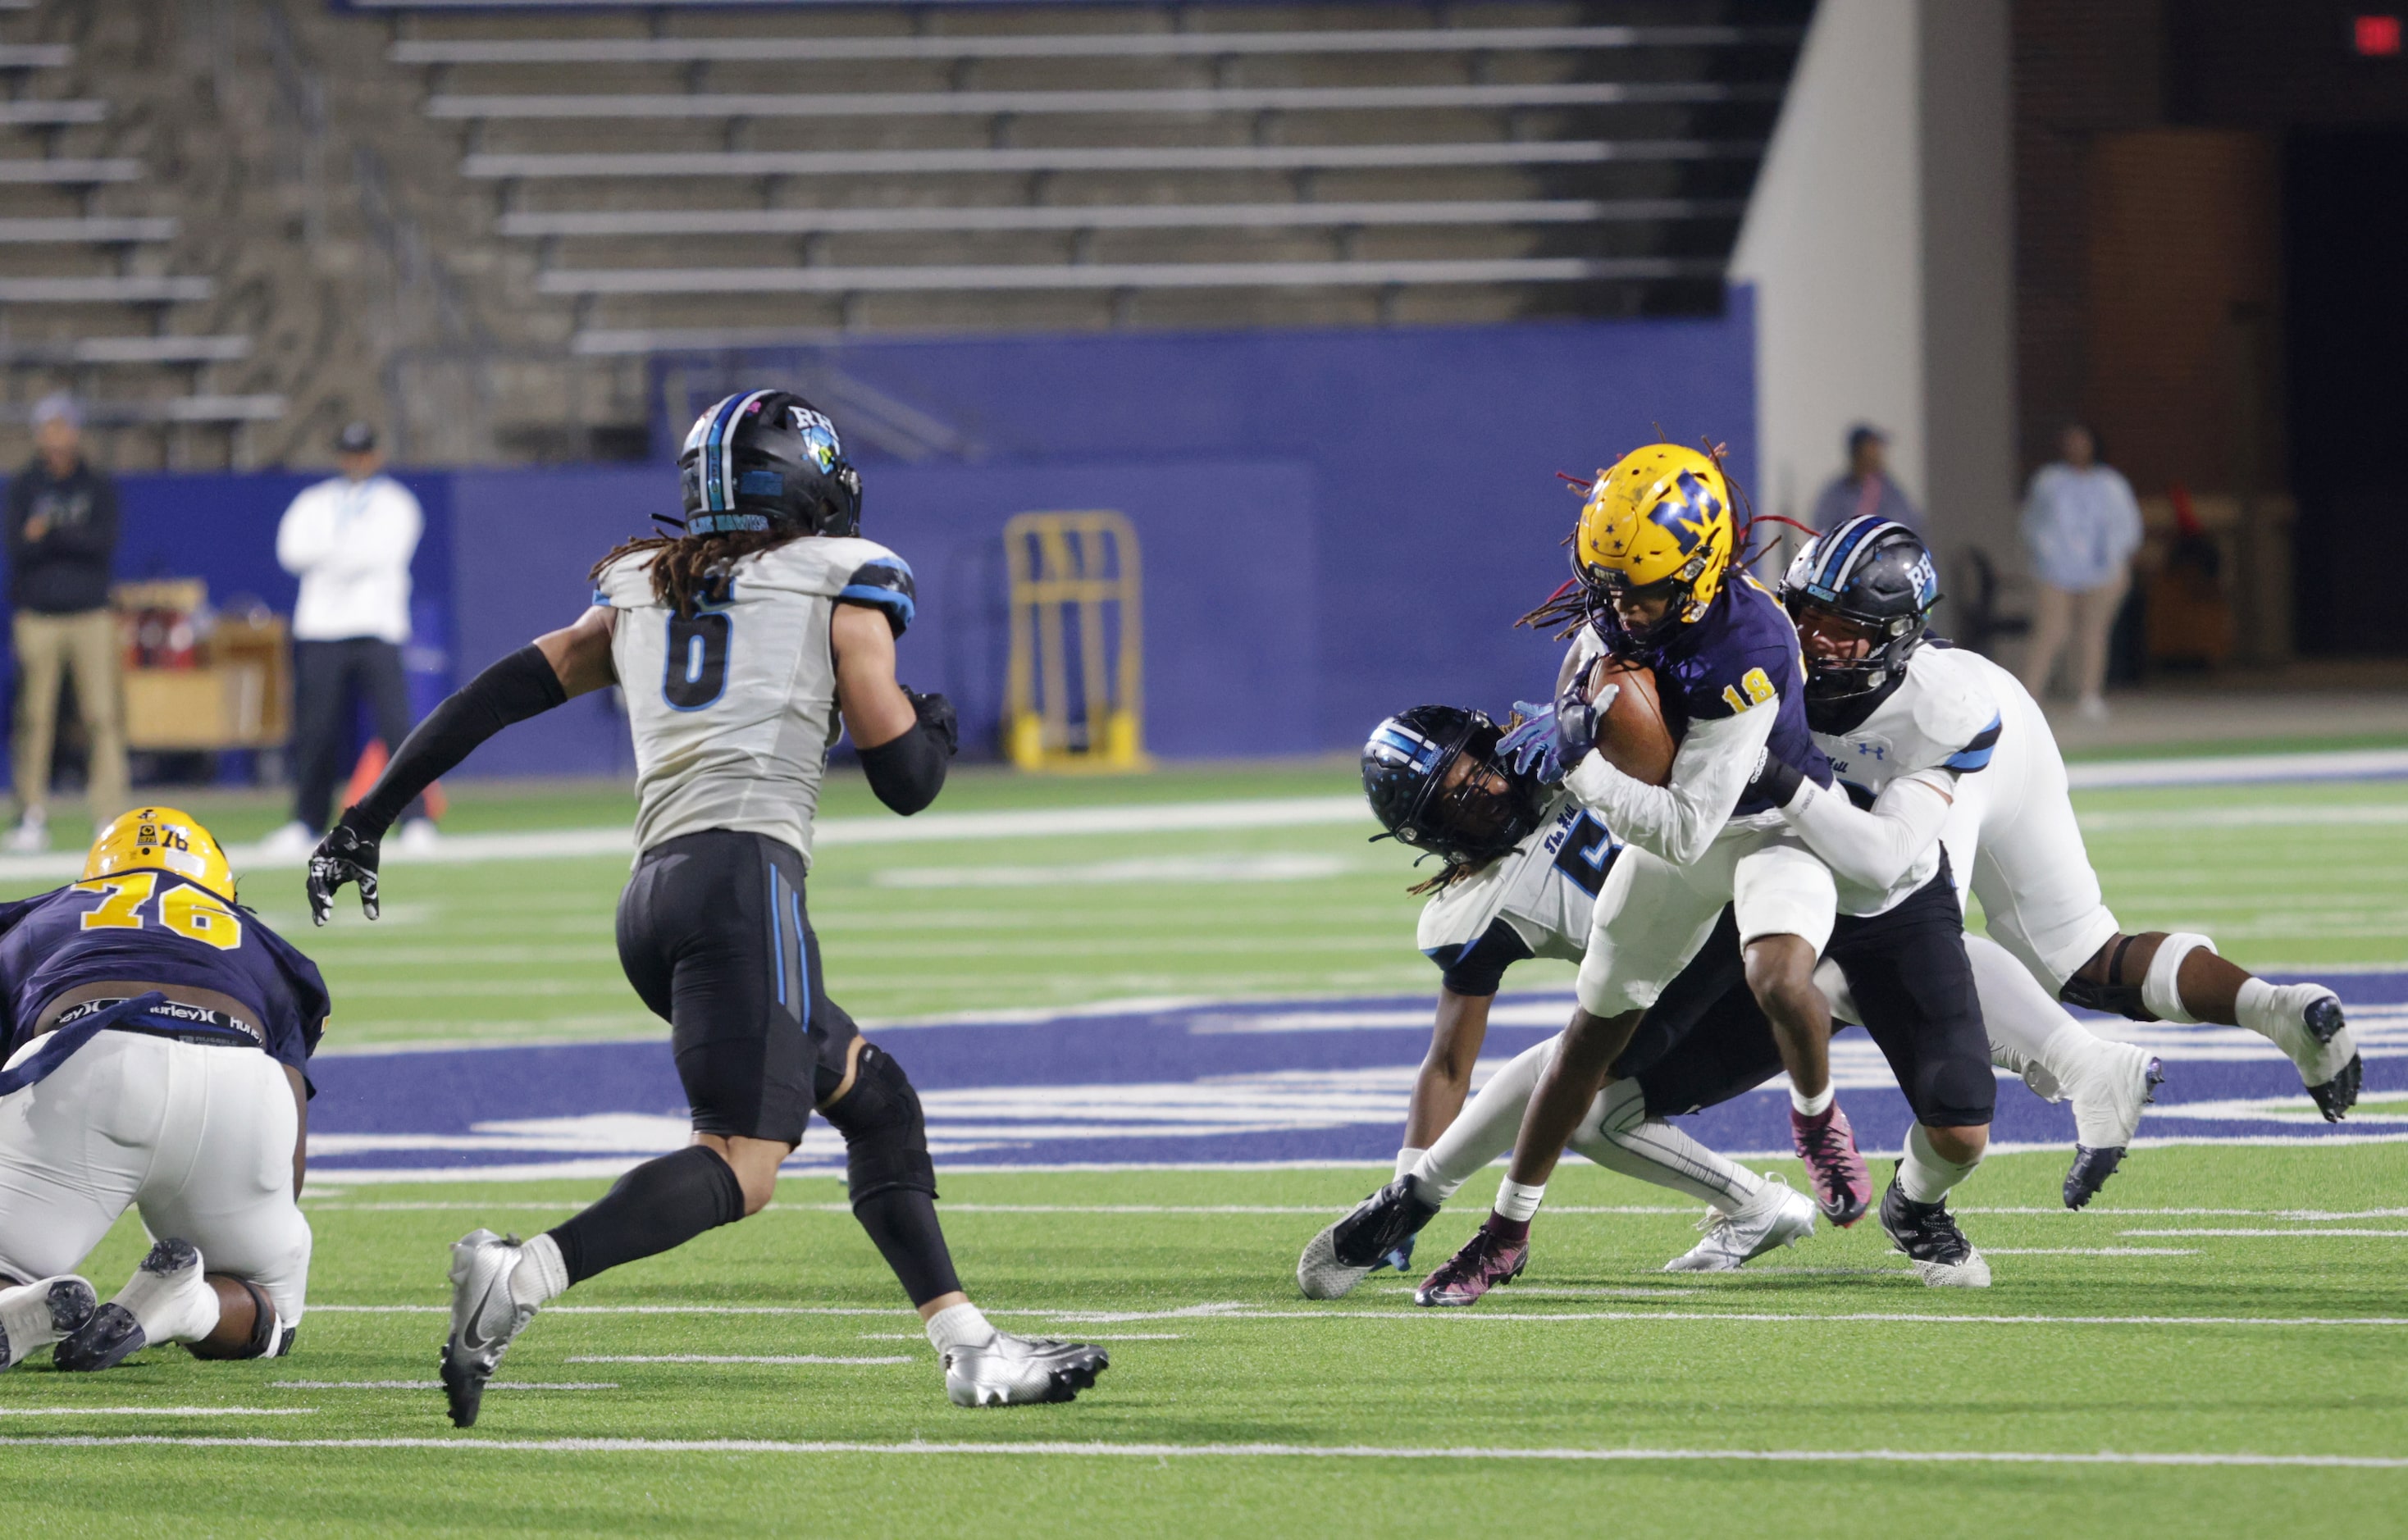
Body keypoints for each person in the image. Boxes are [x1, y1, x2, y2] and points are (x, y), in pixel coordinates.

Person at [307, 390, 1109, 1426]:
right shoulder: (841, 583)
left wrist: (365, 817)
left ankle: (968, 1348)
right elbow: (904, 778)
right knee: (742, 1164)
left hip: (655, 900)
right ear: (805, 481)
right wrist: (937, 728)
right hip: (743, 891)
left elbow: (489, 700)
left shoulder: (644, 584)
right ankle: (525, 1276)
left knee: (876, 1101)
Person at [1769, 516, 2359, 1123]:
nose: (1812, 637)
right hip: (1998, 720)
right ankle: (2276, 1007)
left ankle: (2082, 1073)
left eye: (1839, 626)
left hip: (1960, 743)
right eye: (1804, 613)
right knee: (2087, 960)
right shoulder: (1763, 638)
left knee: (1907, 934)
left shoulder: (1934, 703)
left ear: (1896, 632)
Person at [1483, 445, 1863, 1245]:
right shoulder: (1619, 604)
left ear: (1697, 568)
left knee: (1785, 976)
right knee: (1591, 1035)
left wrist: (1582, 766)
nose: (1621, 609)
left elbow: (1687, 828)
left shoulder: (1744, 647)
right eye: (1607, 587)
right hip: (1683, 843)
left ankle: (1818, 1119)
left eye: (1643, 592)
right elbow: (1592, 684)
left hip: (1774, 829)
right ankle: (1494, 1229)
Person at [0, 807, 327, 1372]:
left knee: (8, 1258)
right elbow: (289, 1135)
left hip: (87, 1055)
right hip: (242, 1085)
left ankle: (15, 1303)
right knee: (271, 1303)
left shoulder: (42, 917)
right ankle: (188, 1306)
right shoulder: (267, 946)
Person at [261, 421, 435, 860]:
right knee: (316, 732)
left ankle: (416, 821)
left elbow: (383, 553)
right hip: (321, 629)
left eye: (363, 452)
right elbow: (291, 552)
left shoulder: (397, 502)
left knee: (397, 728)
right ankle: (305, 822)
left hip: (378, 627)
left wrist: (329, 555)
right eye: (349, 452)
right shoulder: (314, 501)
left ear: (375, 455)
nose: (356, 461)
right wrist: (348, 553)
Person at [7, 393, 127, 852]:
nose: (56, 436)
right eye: (48, 428)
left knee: (102, 714)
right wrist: (62, 539)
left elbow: (102, 542)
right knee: (34, 717)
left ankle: (108, 813)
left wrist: (52, 533)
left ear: (75, 432)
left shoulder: (96, 484)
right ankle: (32, 814)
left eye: (64, 427)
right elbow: (20, 549)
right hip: (38, 615)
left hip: (91, 614)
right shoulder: (24, 485)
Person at [2018, 422, 2142, 722]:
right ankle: (2027, 696)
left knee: (2093, 633)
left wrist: (2117, 560)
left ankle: (2088, 694)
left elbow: (2127, 523)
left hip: (2102, 571)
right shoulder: (2048, 480)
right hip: (2054, 571)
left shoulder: (2111, 483)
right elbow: (2032, 521)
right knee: (2052, 632)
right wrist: (2043, 554)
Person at [1809, 424, 1923, 537]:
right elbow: (1822, 530)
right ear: (1858, 452)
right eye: (1872, 447)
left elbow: (1908, 524)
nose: (1878, 454)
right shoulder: (1837, 494)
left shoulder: (1889, 491)